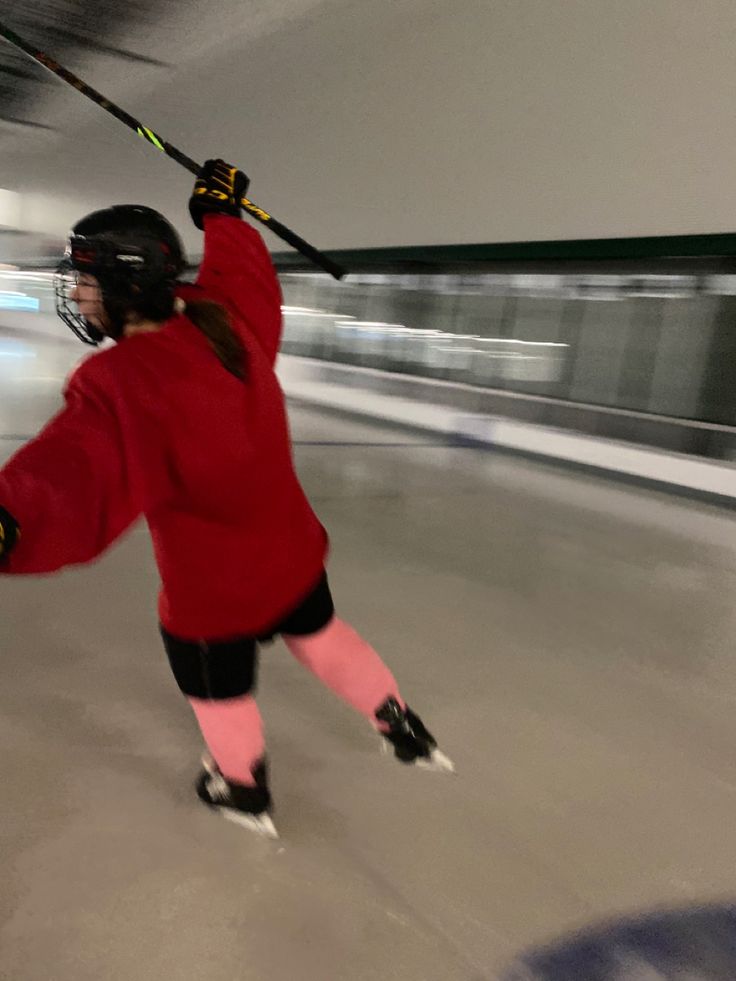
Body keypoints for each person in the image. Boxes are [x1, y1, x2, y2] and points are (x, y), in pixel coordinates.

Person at [0, 160, 452, 838]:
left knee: (221, 689)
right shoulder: (226, 320)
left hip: (214, 591)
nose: (81, 297)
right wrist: (222, 214)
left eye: (89, 282)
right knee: (323, 636)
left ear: (126, 286)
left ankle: (241, 789)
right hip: (292, 552)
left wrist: (13, 515)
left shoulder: (122, 379)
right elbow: (244, 273)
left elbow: (75, 465)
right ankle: (403, 728)